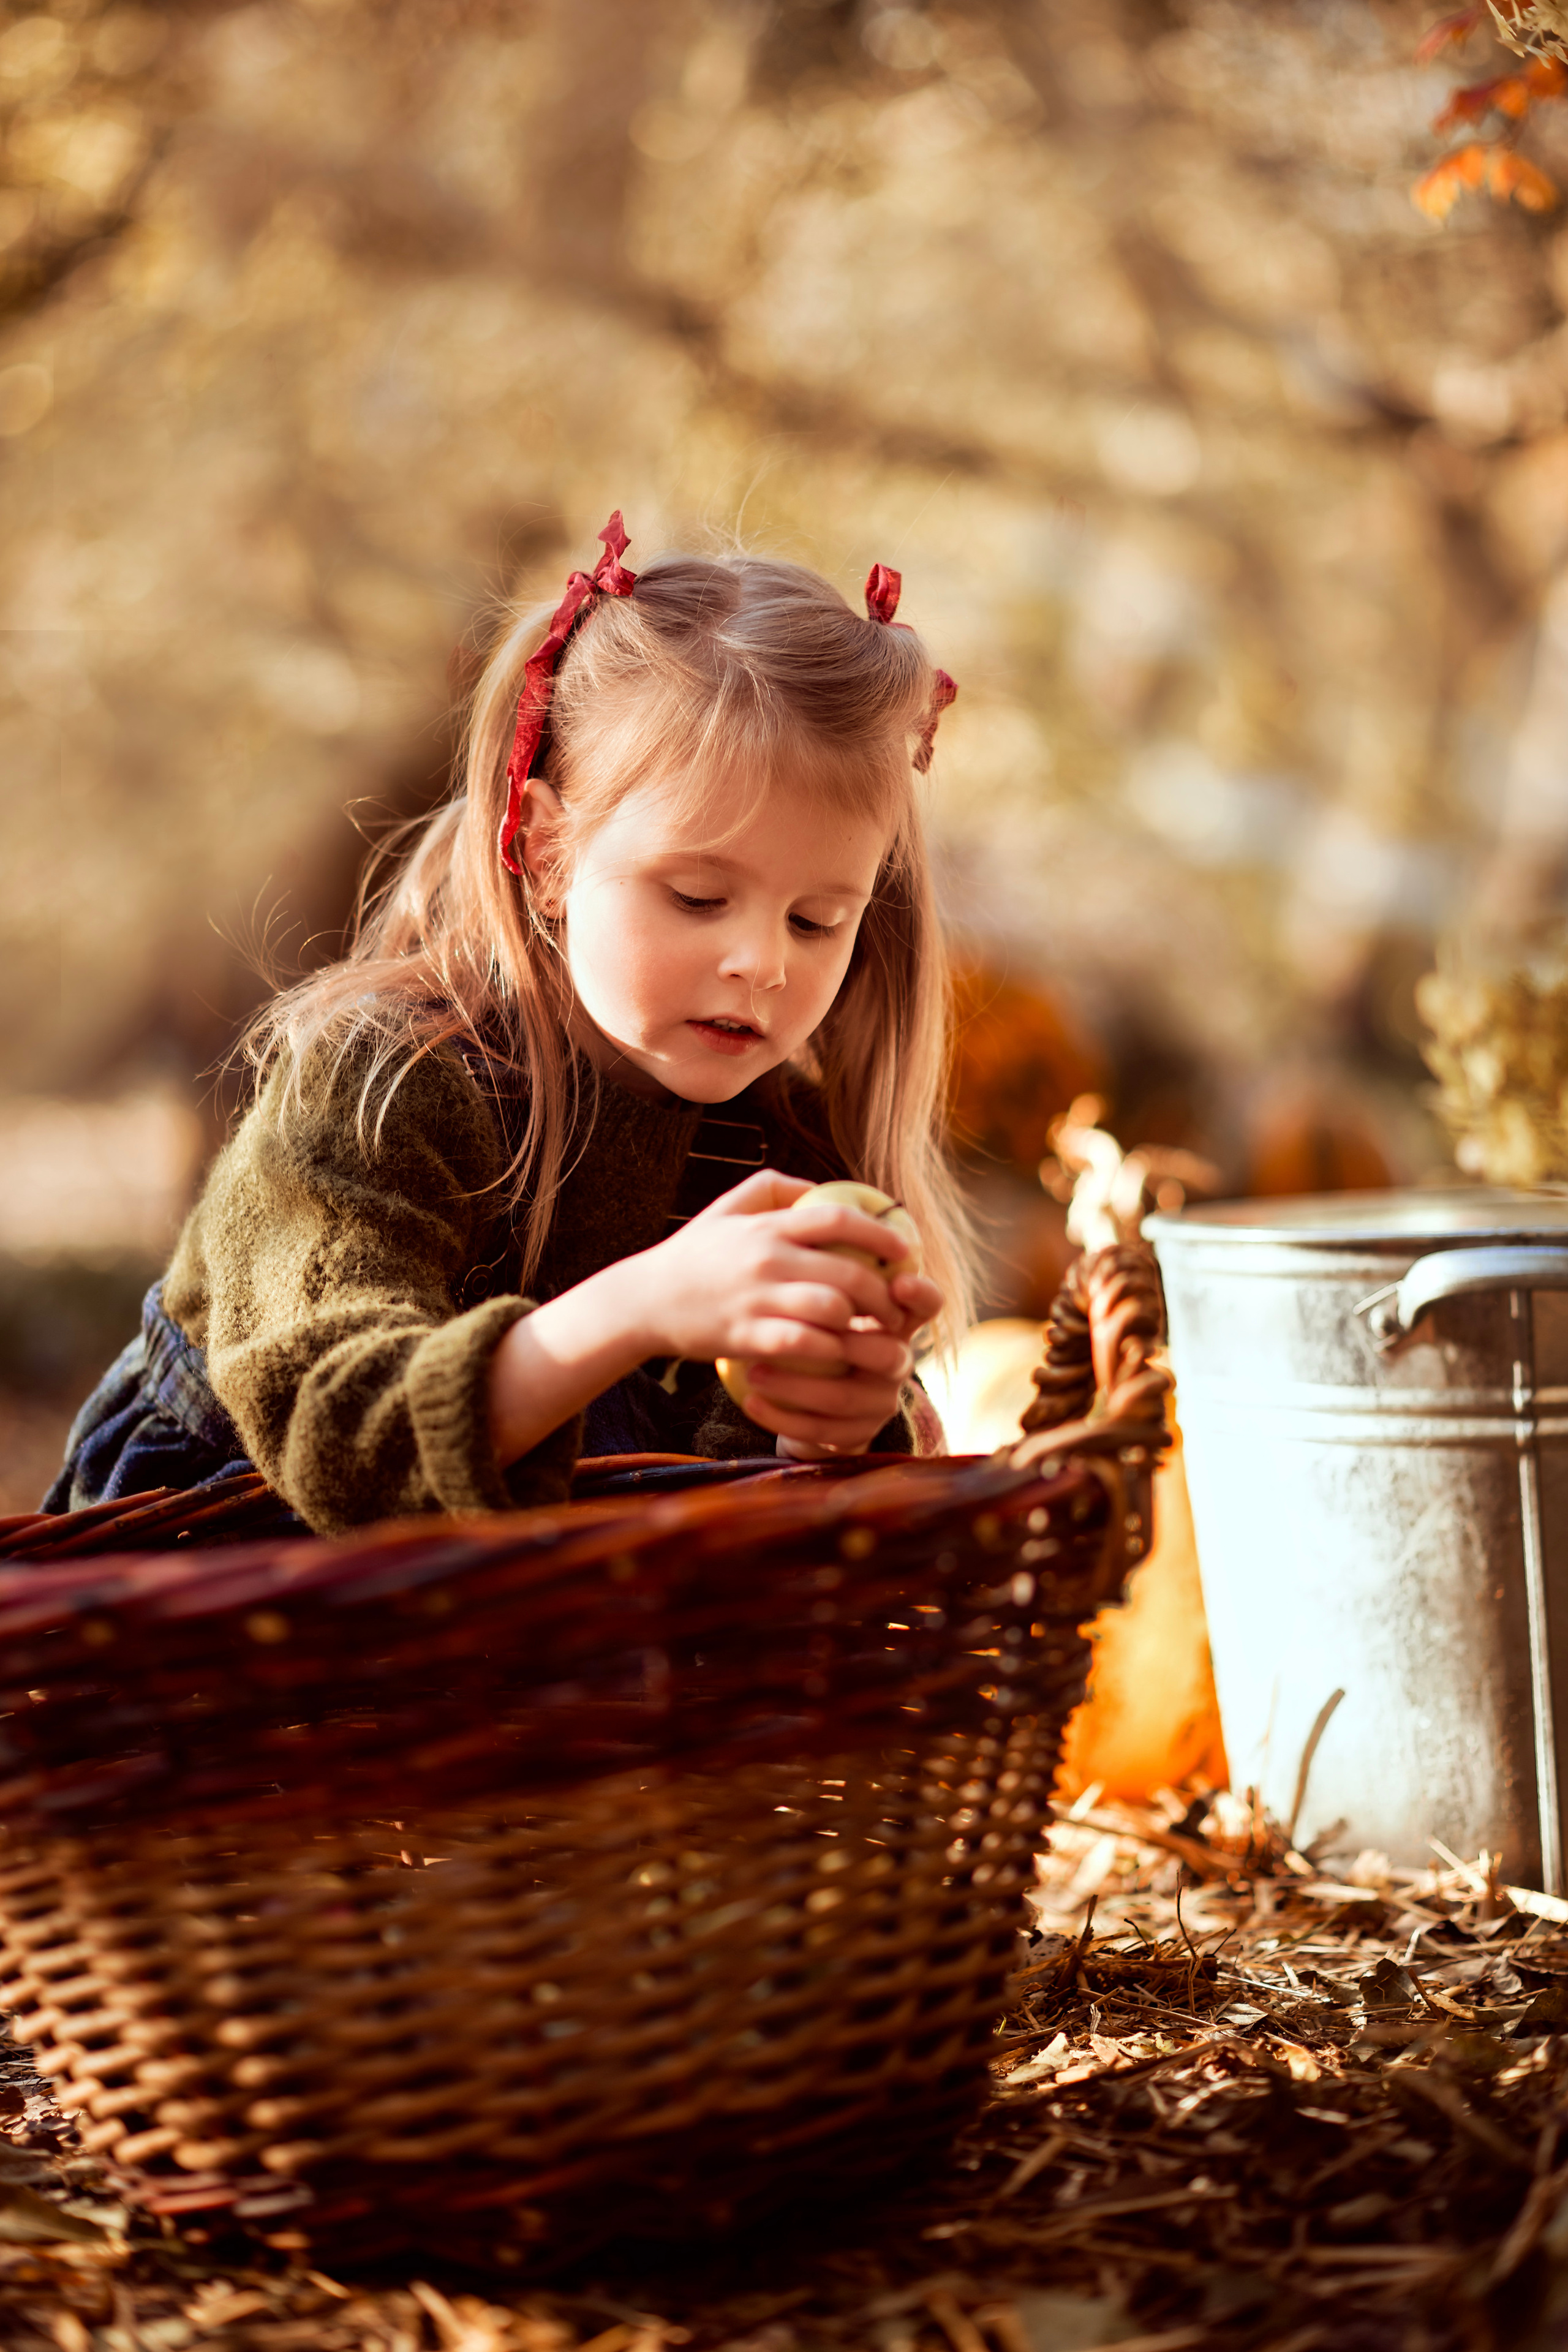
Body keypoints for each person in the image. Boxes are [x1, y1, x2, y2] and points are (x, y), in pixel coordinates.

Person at [47, 516, 974, 1534]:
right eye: (698, 898)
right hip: (225, 1571)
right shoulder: (382, 1087)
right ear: (547, 852)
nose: (765, 961)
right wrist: (641, 1306)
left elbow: (712, 1523)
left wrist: (828, 1428)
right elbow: (341, 1433)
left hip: (528, 1647)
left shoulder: (778, 1147)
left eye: (817, 920)